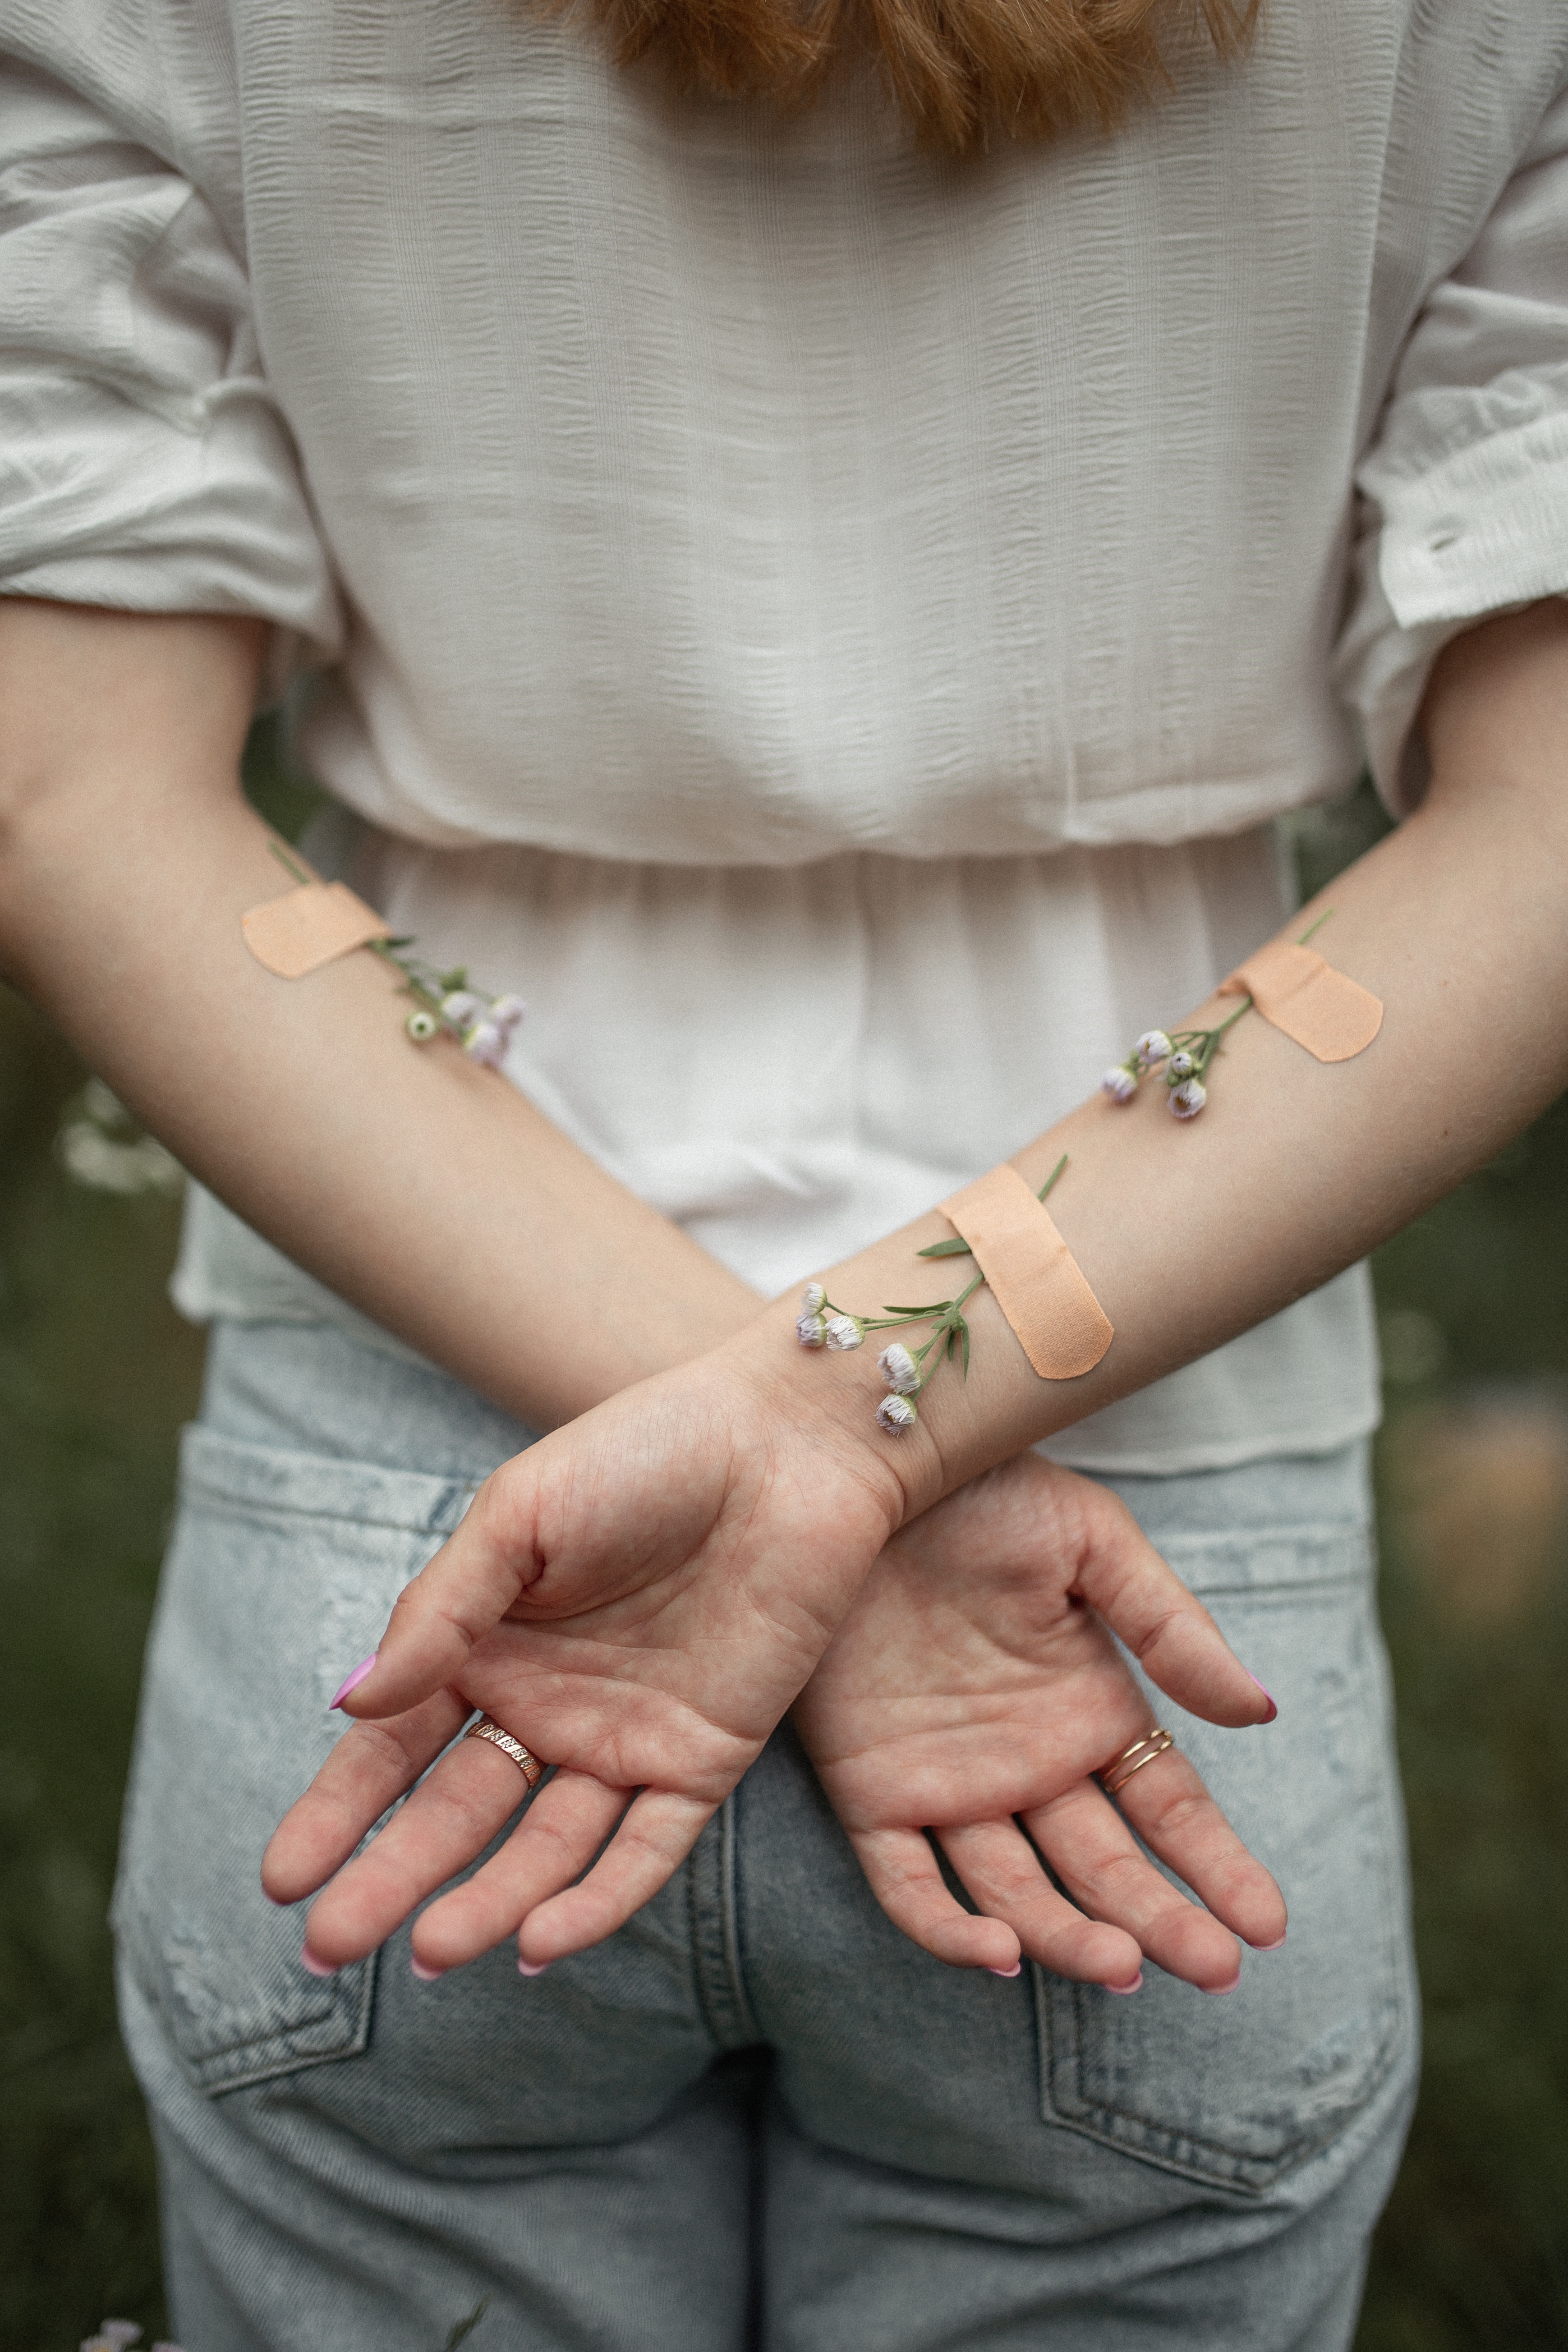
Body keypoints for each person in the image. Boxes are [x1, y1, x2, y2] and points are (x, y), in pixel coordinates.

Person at [2, 0, 1567, 2344]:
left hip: (429, 1543)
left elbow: (68, 793)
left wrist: (795, 1457)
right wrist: (850, 1466)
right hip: (1135, 1547)